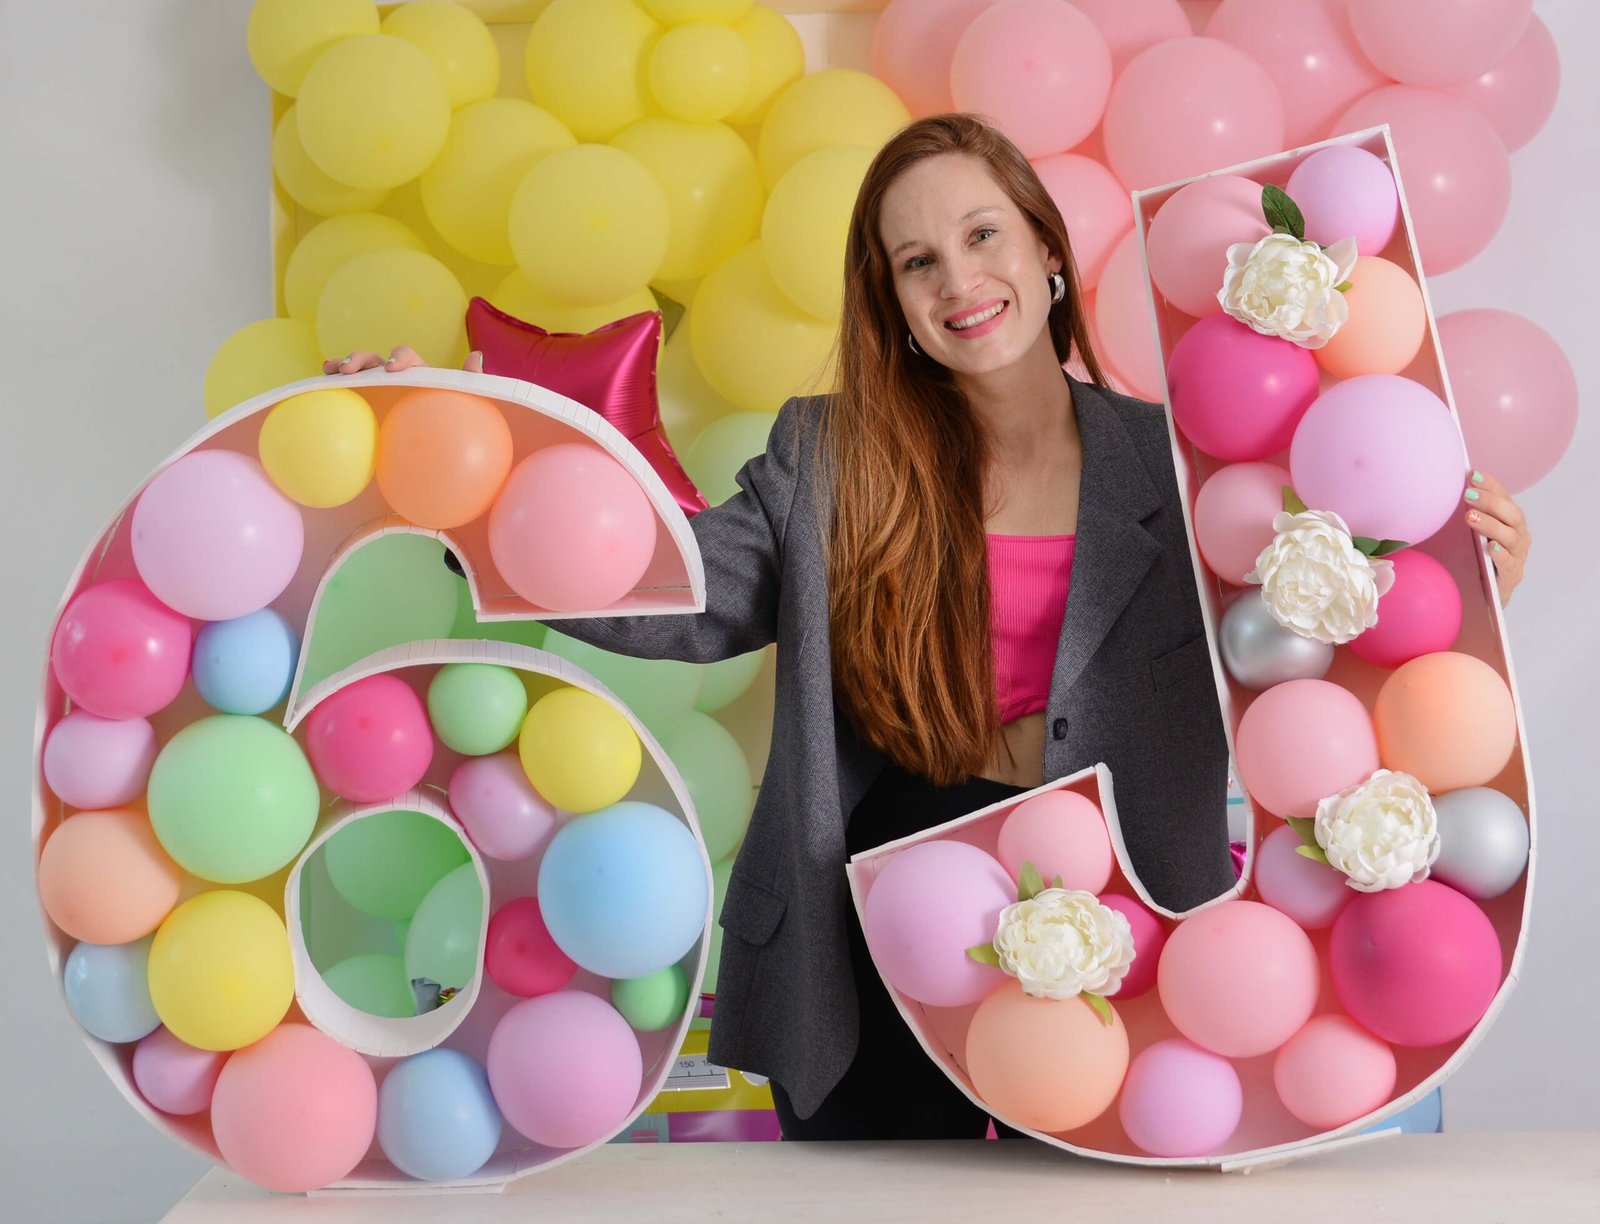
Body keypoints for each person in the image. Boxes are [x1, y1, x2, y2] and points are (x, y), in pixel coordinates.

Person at [327, 114, 1533, 1140]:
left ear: (1046, 252)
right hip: (874, 928)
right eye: (916, 262)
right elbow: (675, 592)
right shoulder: (830, 454)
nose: (957, 281)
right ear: (893, 303)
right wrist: (455, 481)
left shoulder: (1186, 466)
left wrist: (1462, 583)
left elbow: (1310, 637)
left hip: (1127, 931)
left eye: (981, 236)